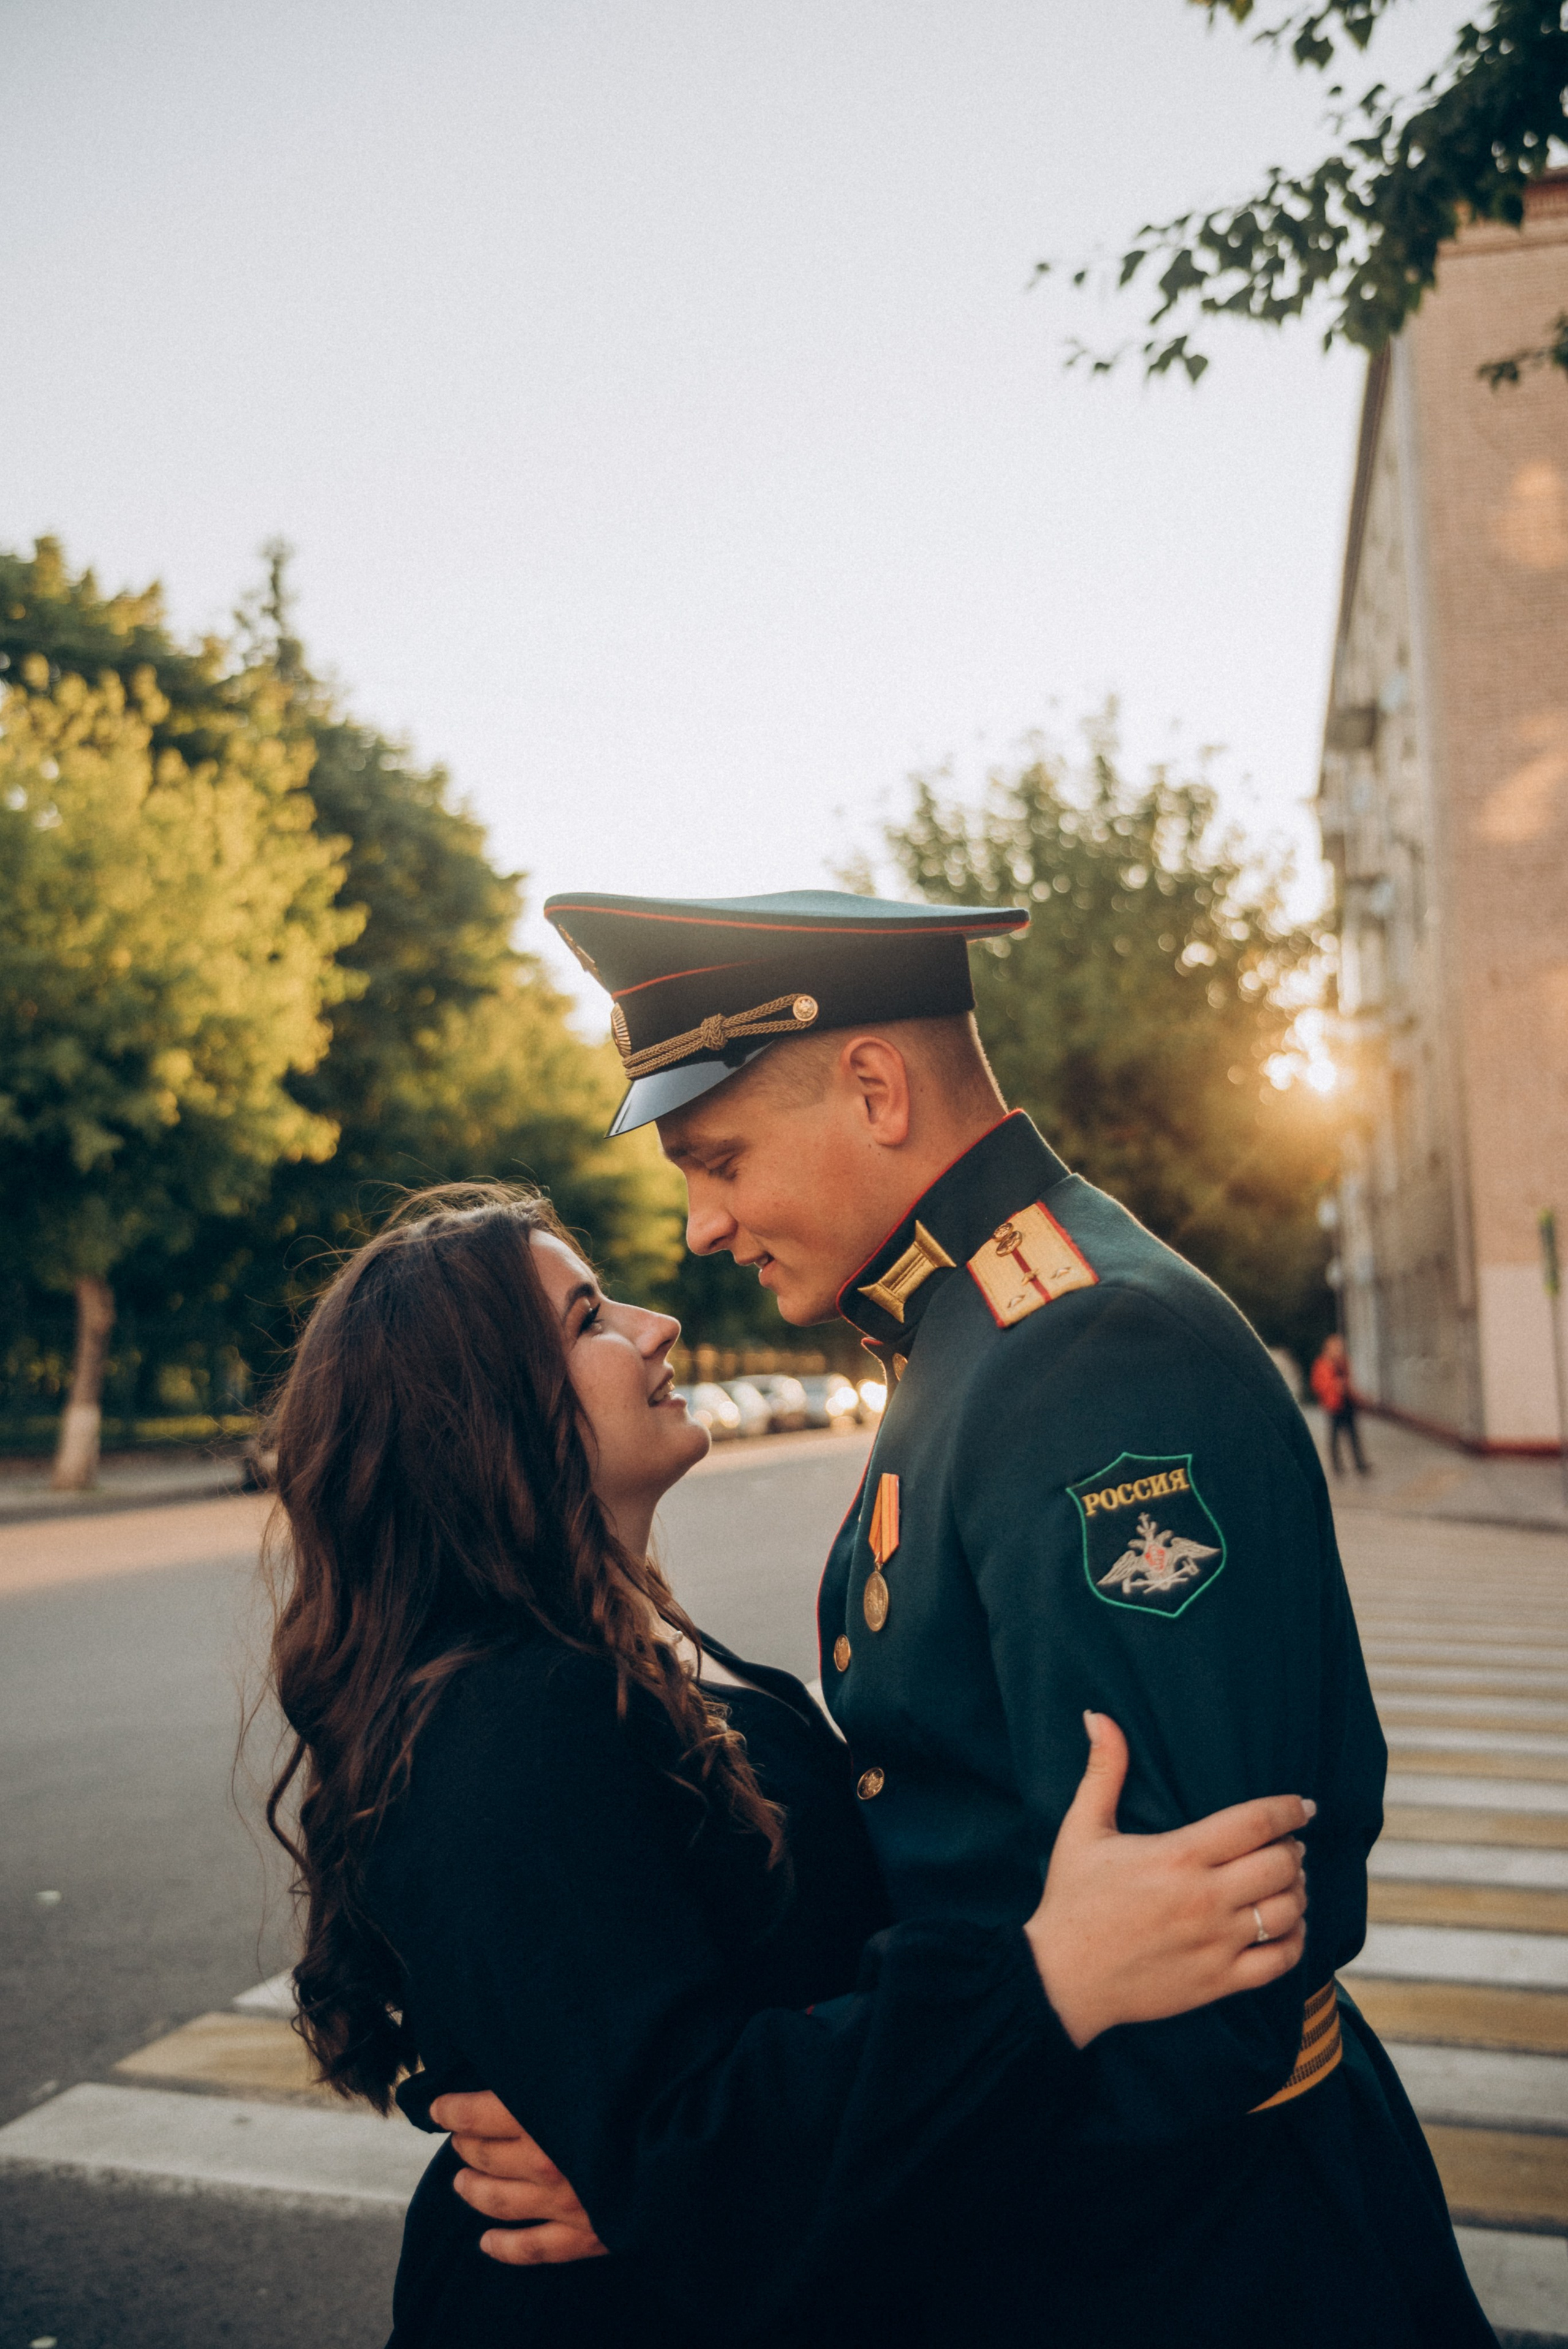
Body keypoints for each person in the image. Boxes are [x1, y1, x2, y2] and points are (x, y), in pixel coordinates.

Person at [450, 887, 1490, 2349]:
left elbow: (1193, 1989)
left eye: (718, 1157)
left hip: (1193, 2255)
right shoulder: (971, 1330)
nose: (699, 1223)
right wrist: (688, 2148)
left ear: (872, 1085)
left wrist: (753, 2192)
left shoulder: (1082, 1354)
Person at [262, 1183, 1314, 2349]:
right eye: (587, 1320)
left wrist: (638, 2171)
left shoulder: (623, 1650)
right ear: (479, 1419)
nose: (654, 1325)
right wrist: (1051, 1975)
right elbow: (688, 2153)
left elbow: (676, 2130)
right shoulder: (503, 1721)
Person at [1312, 1331, 1371, 1476]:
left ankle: (1360, 1464)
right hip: (1334, 1405)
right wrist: (1334, 1386)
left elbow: (1349, 1382)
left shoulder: (1344, 1362)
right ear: (1328, 1348)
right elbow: (1317, 1385)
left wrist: (1358, 1396)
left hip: (1347, 1403)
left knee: (1353, 1435)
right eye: (1337, 1347)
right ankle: (1337, 1466)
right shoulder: (1321, 1364)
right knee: (1334, 1437)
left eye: (1341, 1347)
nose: (1339, 1350)